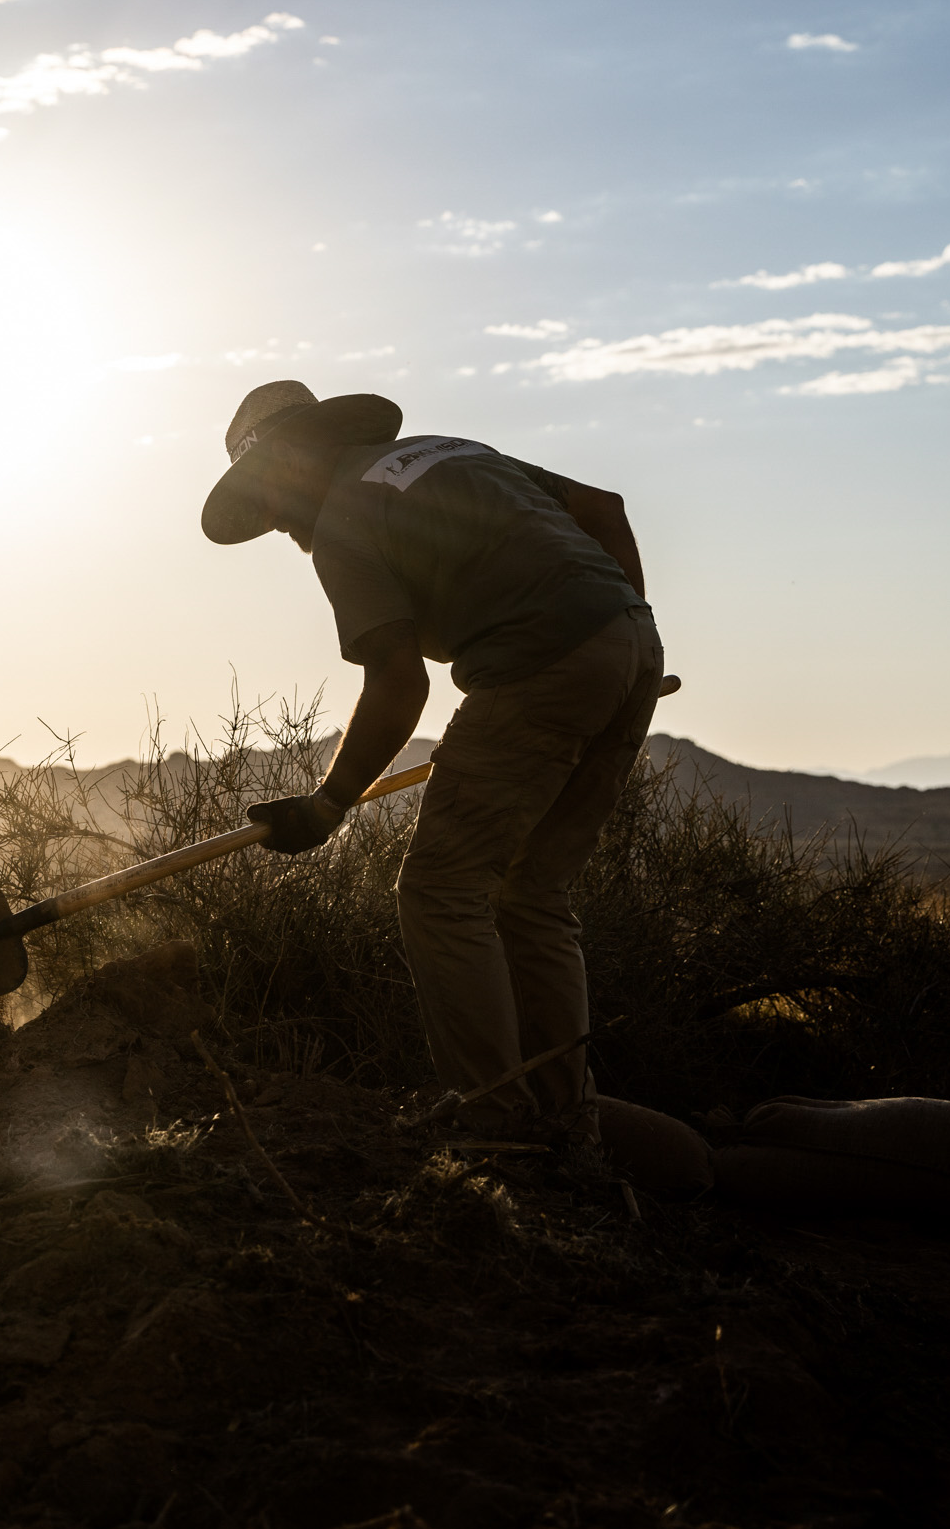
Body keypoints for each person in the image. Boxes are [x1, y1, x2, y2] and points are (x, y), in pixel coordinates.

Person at [202, 380, 663, 1142]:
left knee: (440, 890)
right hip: (634, 648)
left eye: (271, 492)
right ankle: (564, 1123)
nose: (275, 519)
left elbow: (398, 681)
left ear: (306, 455)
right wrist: (619, 633)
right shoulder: (449, 453)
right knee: (533, 891)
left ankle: (495, 1123)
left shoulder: (345, 521)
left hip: (540, 664)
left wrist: (329, 803)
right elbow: (604, 509)